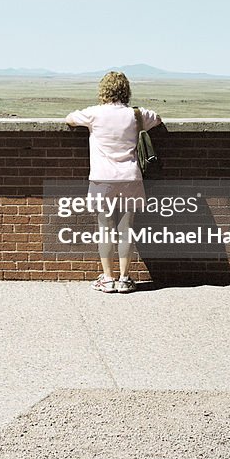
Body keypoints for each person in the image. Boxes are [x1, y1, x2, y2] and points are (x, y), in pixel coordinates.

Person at [65, 71, 162, 294]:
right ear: (126, 90)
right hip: (130, 177)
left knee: (105, 229)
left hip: (102, 178)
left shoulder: (94, 114)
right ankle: (124, 279)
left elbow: (69, 118)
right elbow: (157, 119)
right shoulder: (136, 115)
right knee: (126, 229)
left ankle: (107, 279)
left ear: (104, 91)